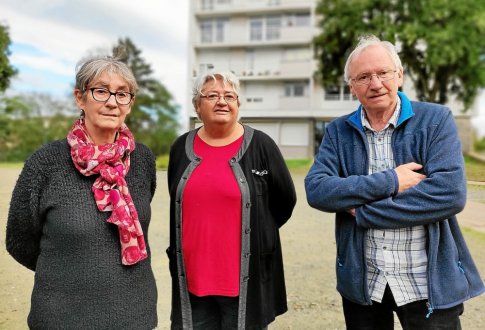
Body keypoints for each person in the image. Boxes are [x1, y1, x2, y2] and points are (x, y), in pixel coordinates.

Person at [305, 35, 485, 329]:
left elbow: (449, 194)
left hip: (426, 282)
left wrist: (363, 211)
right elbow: (318, 190)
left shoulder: (436, 120)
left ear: (399, 75)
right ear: (352, 86)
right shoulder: (338, 132)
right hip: (365, 283)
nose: (375, 83)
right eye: (363, 76)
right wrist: (392, 180)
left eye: (383, 72)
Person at [6, 55, 158, 329]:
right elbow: (19, 241)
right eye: (101, 91)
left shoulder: (143, 159)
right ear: (80, 98)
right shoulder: (46, 162)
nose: (112, 101)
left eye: (122, 94)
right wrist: (68, 275)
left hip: (135, 316)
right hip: (61, 318)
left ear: (130, 104)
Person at [167, 71, 296, 329]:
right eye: (212, 95)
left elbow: (285, 201)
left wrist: (259, 232)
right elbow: (176, 197)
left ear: (238, 104)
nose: (222, 102)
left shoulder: (262, 145)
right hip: (193, 281)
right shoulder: (181, 147)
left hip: (244, 281)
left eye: (229, 96)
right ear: (196, 105)